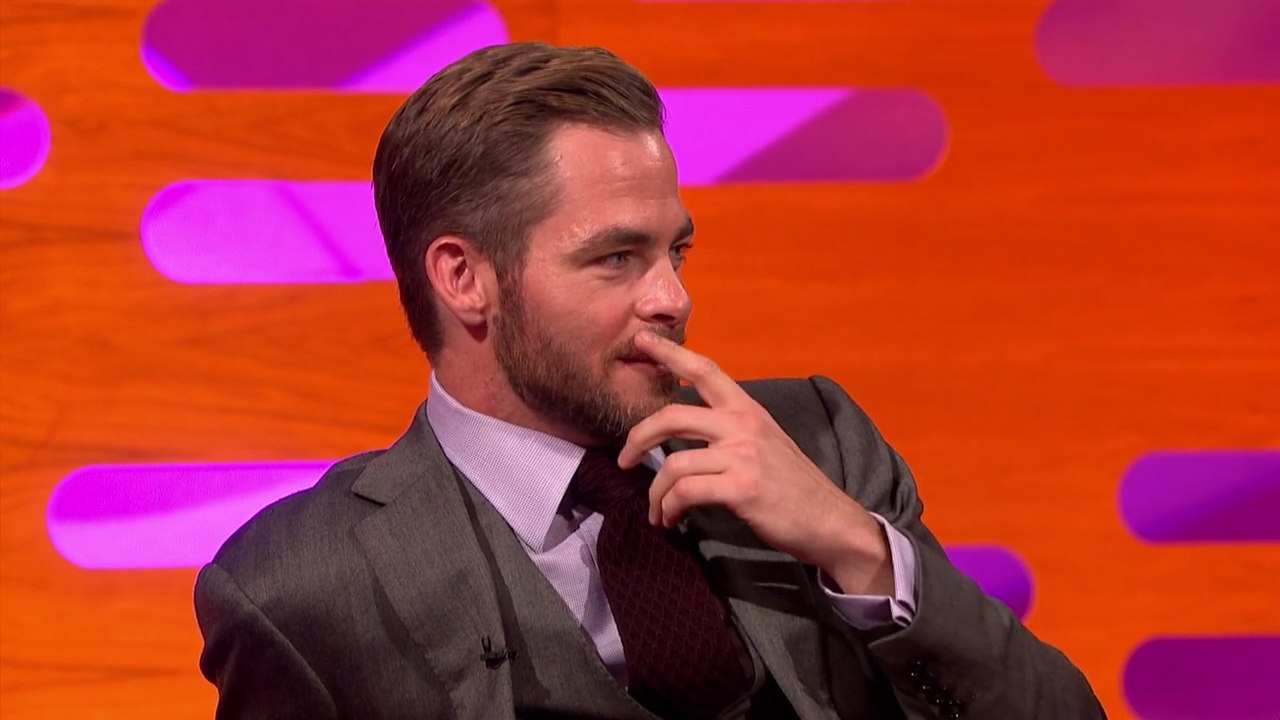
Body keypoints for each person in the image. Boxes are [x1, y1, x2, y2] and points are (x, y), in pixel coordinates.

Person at [194, 42, 1105, 719]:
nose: (673, 298)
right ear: (464, 278)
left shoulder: (818, 443)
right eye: (616, 258)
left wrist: (859, 549)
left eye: (677, 251)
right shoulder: (301, 585)